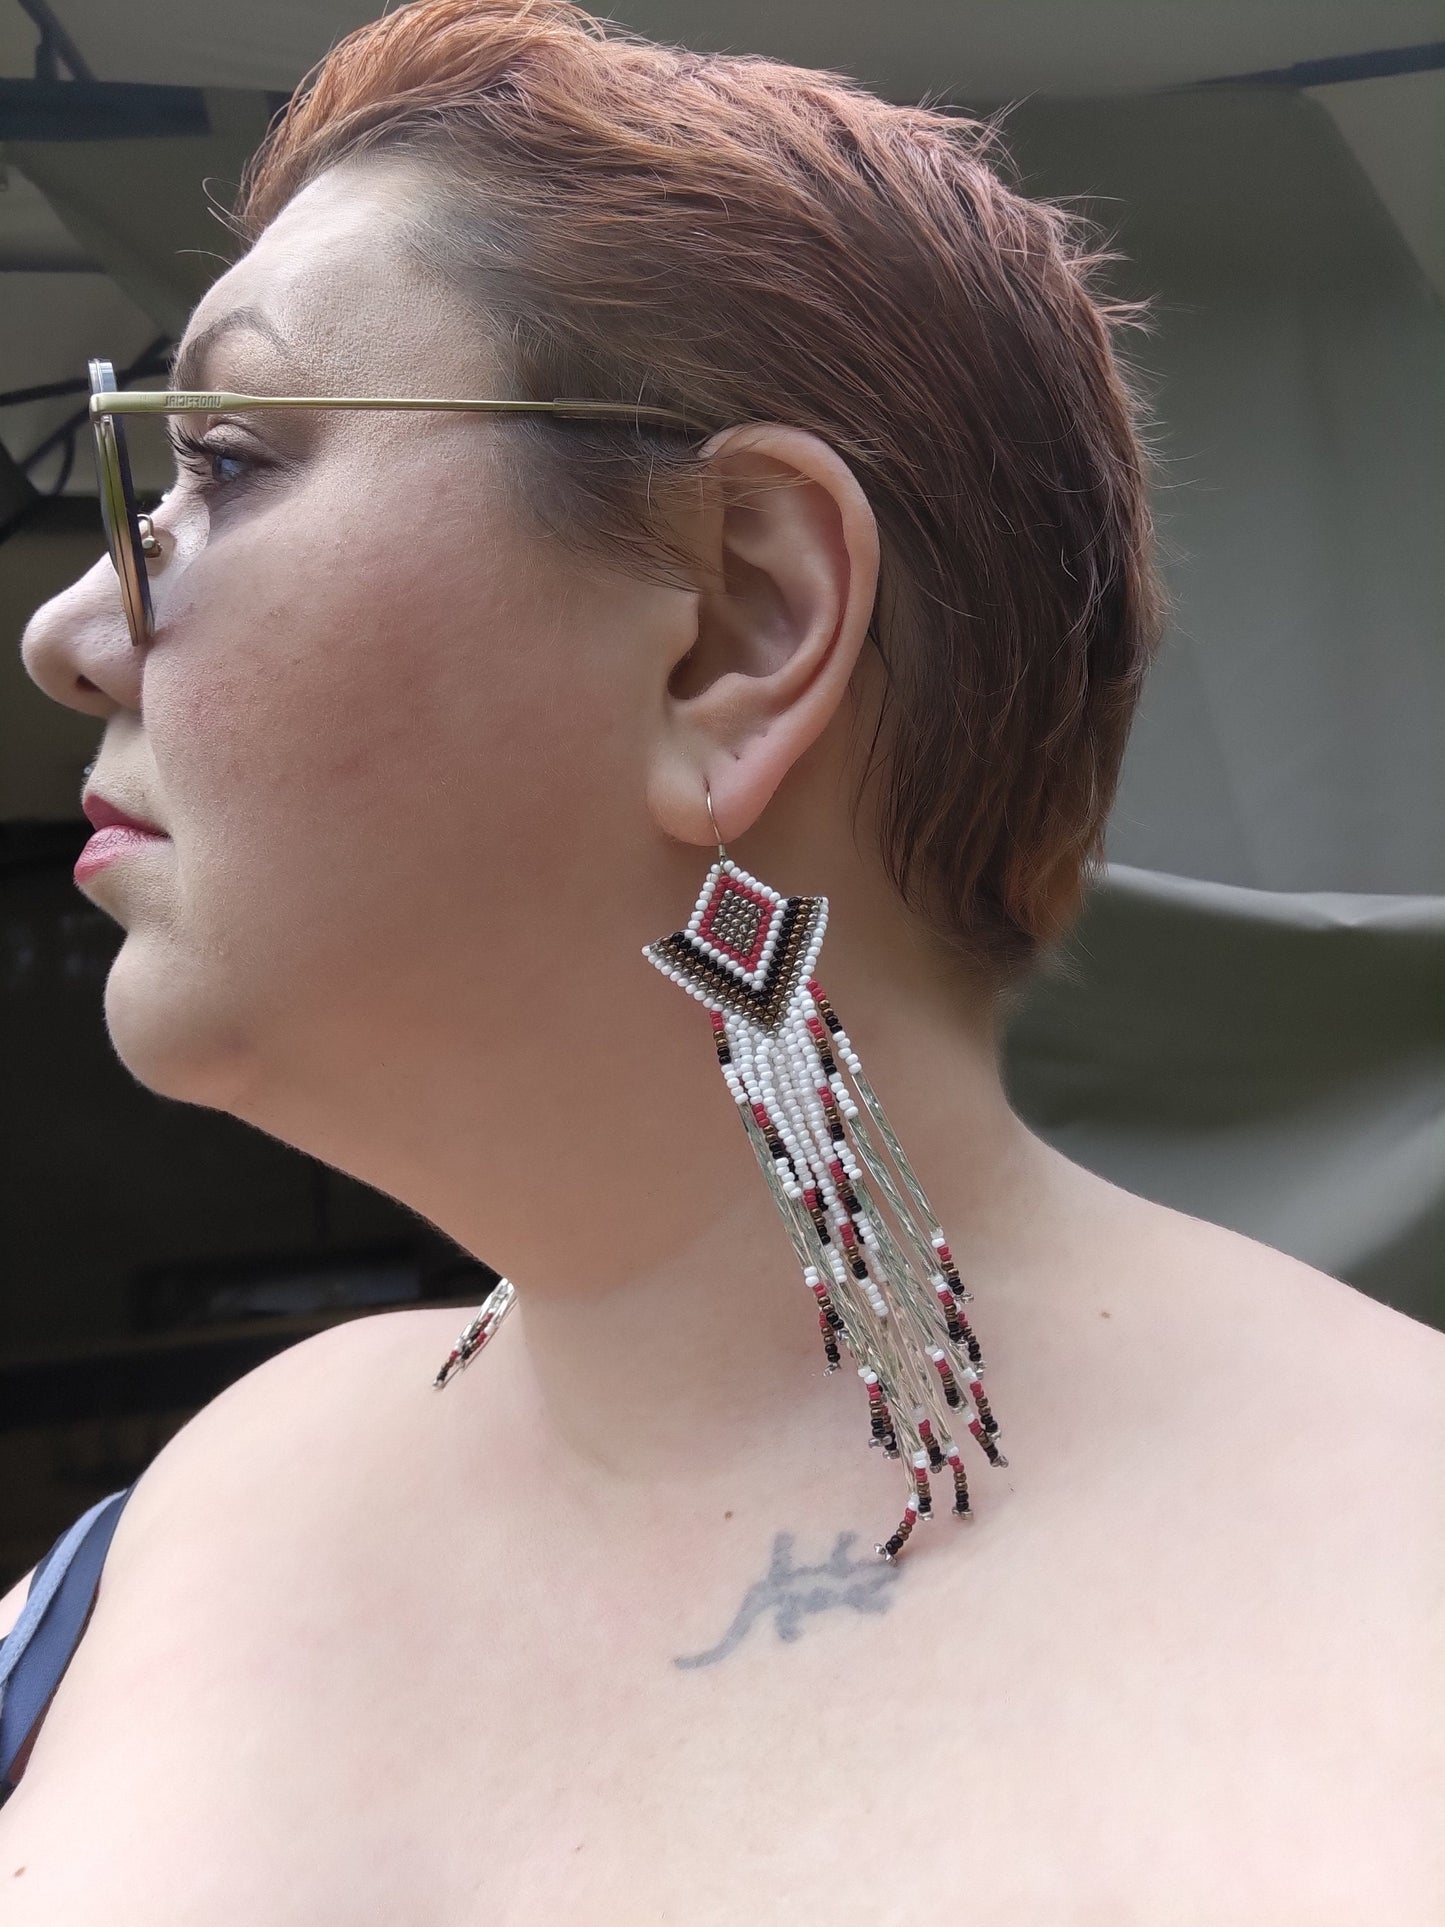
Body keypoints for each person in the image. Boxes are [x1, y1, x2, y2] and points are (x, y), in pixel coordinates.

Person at [3, 0, 1442, 1916]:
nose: (72, 630)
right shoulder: (133, 1571)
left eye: (232, 462)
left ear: (733, 628)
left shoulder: (1391, 1605)